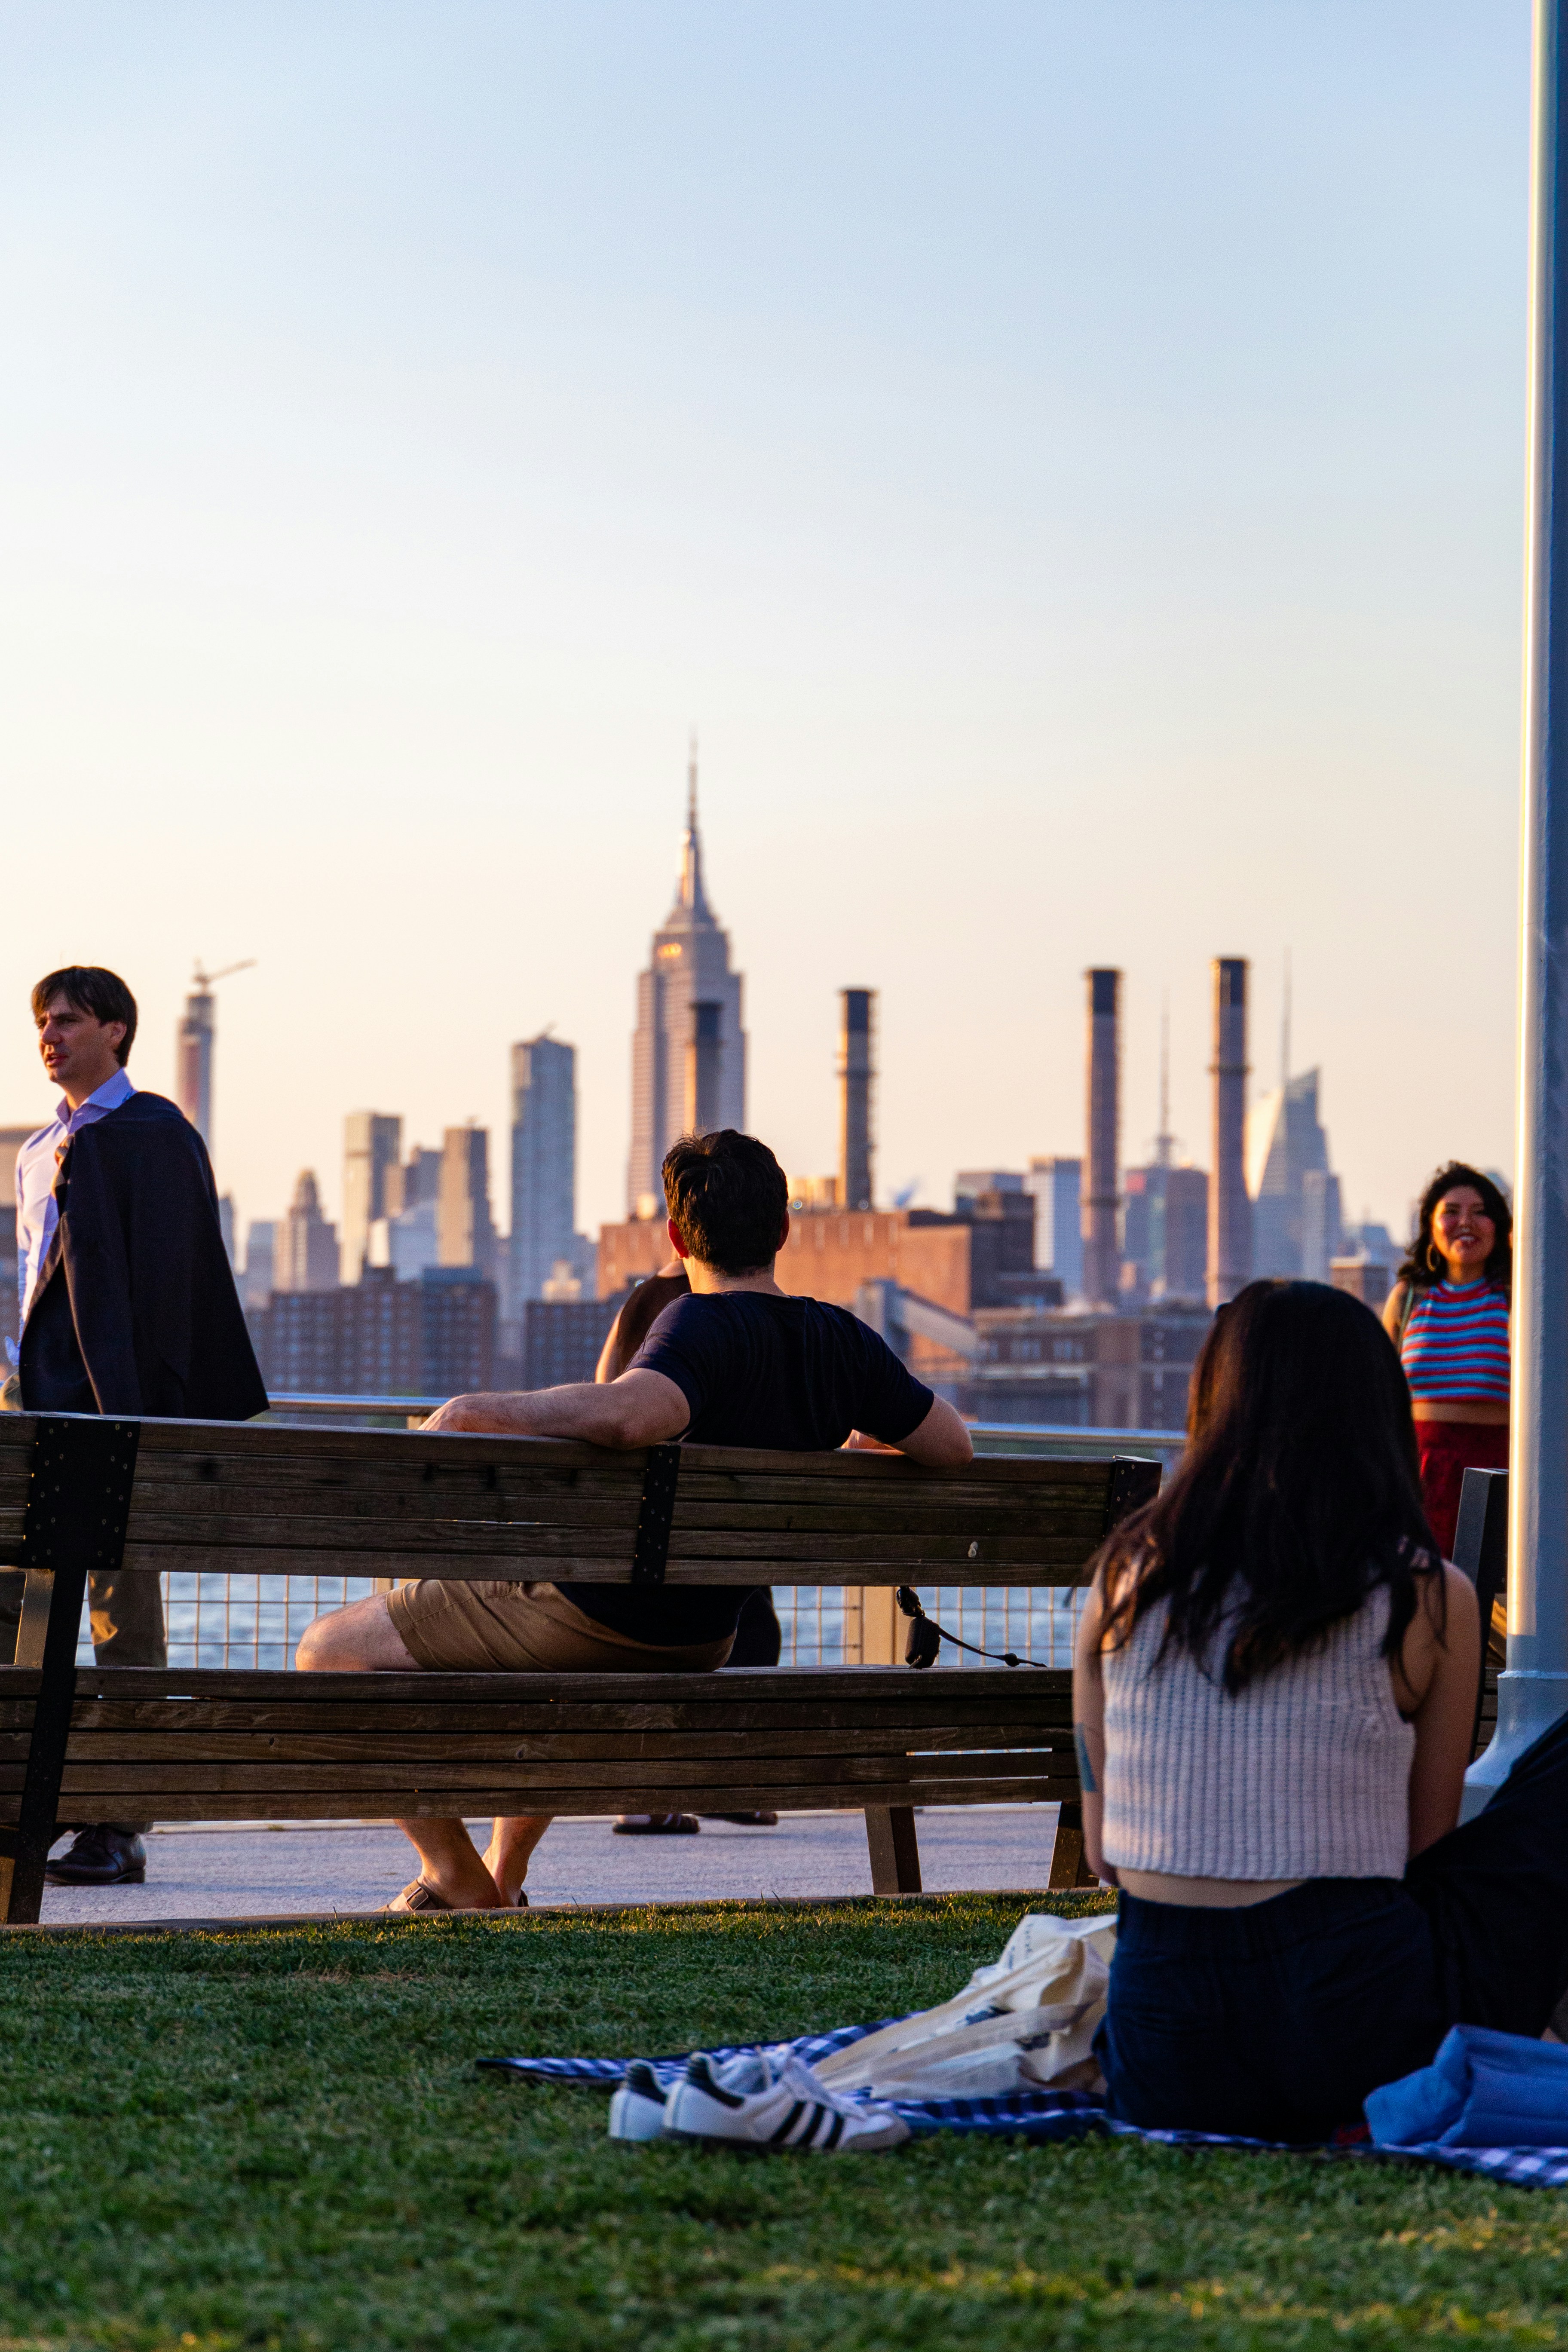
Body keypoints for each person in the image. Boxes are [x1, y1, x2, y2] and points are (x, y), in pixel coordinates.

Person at [297, 1127, 972, 1911]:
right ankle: (504, 1875)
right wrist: (845, 1451)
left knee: (327, 1652)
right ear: (785, 1230)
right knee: (553, 1656)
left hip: (600, 1617)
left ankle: (458, 1880)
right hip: (705, 1635)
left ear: (679, 1236)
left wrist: (478, 1408)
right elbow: (950, 1445)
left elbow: (630, 1416)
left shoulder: (697, 1323)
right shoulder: (841, 1340)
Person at [1074, 1278, 1568, 2144]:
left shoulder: (1123, 1578)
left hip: (1162, 2059)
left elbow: (1100, 1853)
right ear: (1376, 1411)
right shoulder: (1423, 1591)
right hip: (1352, 2036)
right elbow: (1420, 1853)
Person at [4, 966, 267, 1889]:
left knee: (126, 1623)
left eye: (68, 1020)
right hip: (33, 1414)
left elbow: (178, 1289)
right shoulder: (38, 1150)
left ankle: (119, 1822)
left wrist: (151, 1418)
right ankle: (21, 1805)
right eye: (42, 1022)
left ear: (116, 1031)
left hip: (118, 1419)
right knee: (13, 1610)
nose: (49, 1035)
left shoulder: (155, 1135)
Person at [596, 1256, 783, 1834]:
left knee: (660, 1624)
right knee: (746, 1614)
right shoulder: (742, 1315)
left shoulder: (644, 1301)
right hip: (719, 1538)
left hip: (632, 1542)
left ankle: (648, 1794)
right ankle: (726, 1781)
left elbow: (605, 1389)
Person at [1382, 1164, 1512, 1561]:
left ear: (1499, 1226)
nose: (1465, 1223)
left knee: (1486, 1604)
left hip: (1495, 1472)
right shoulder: (1408, 1299)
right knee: (1416, 1598)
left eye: (1480, 1212)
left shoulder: (1515, 1297)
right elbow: (1379, 1392)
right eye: (1451, 1212)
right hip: (1416, 1473)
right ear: (1431, 1225)